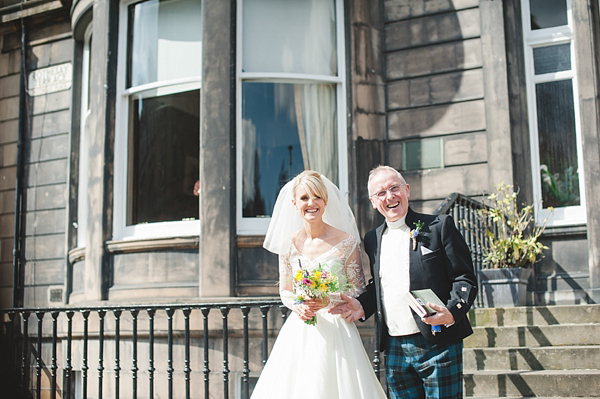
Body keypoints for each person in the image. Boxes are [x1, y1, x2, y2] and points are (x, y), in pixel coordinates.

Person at [330, 165, 477, 399]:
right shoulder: (372, 240)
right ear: (373, 201)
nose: (389, 197)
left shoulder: (439, 226)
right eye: (381, 193)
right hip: (395, 346)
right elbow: (380, 285)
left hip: (438, 341)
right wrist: (362, 305)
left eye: (394, 188)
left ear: (406, 190)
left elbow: (465, 278)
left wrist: (451, 312)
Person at [252, 170, 386, 399]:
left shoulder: (346, 241)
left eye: (316, 197)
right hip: (300, 330)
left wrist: (330, 298)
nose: (311, 203)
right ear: (295, 203)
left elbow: (358, 288)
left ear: (325, 201)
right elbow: (285, 289)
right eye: (304, 198)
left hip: (336, 329)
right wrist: (298, 305)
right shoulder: (289, 244)